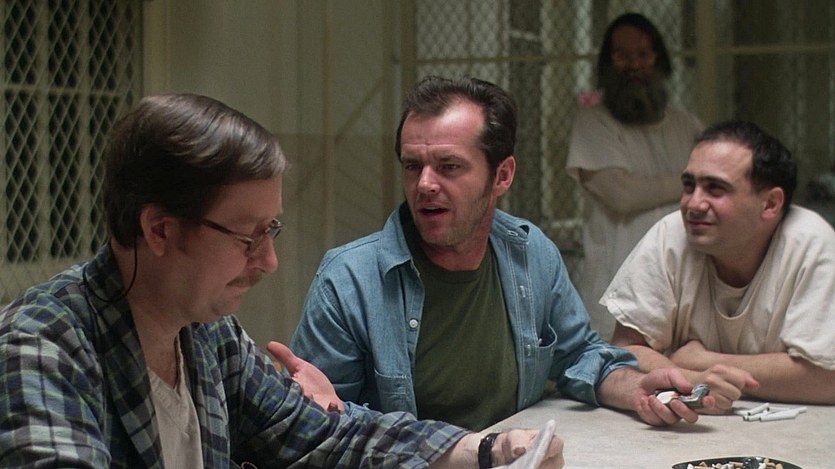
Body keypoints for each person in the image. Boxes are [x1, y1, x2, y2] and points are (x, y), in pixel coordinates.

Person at [0, 93, 566, 468]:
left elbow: (319, 435)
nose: (269, 261)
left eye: (271, 230)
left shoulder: (207, 334)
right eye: (248, 236)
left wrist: (486, 450)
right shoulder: (42, 347)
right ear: (160, 230)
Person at [286, 75, 712, 433]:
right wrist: (460, 453)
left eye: (449, 166)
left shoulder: (530, 253)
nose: (425, 184)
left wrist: (636, 389)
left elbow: (581, 355)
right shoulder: (349, 280)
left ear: (502, 175)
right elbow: (316, 426)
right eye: (413, 165)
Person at [605, 120, 835, 412]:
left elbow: (827, 379)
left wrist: (701, 361)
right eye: (689, 186)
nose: (693, 204)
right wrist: (692, 379)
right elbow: (624, 349)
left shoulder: (812, 243)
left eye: (715, 189)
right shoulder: (670, 235)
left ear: (770, 204)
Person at [565, 12, 704, 340]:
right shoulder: (593, 124)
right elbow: (622, 196)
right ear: (607, 63)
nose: (634, 65)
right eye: (622, 55)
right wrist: (691, 182)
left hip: (688, 287)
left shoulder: (687, 125)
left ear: (659, 60)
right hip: (616, 293)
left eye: (644, 54)